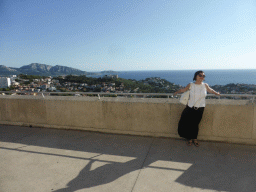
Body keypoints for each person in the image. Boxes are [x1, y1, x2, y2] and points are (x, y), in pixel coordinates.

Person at [173, 71, 220, 147]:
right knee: (187, 123)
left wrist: (216, 93)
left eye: (203, 76)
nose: (202, 77)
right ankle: (189, 138)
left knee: (195, 124)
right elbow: (183, 90)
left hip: (200, 108)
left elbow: (210, 90)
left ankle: (195, 138)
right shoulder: (191, 84)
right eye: (200, 75)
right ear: (196, 76)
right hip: (190, 107)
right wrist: (176, 92)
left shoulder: (205, 85)